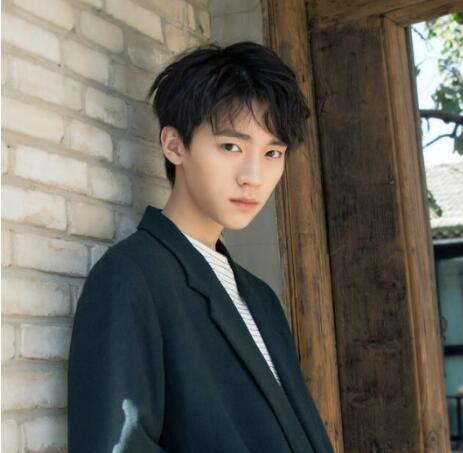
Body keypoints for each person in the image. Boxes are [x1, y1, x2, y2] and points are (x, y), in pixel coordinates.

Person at [67, 41, 334, 453]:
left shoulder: (261, 298)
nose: (253, 176)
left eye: (272, 152)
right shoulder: (131, 277)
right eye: (231, 147)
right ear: (174, 145)